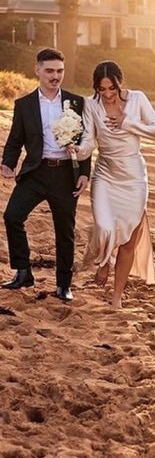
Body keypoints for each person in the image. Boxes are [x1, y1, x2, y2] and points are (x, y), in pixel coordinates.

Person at [1, 47, 90, 301]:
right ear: (37, 70)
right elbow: (15, 139)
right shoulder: (24, 104)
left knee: (65, 230)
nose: (55, 76)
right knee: (12, 216)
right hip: (36, 172)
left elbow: (86, 140)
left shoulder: (76, 102)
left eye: (60, 71)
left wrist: (84, 172)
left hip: (65, 175)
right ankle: (23, 272)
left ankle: (64, 284)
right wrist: (8, 163)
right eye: (49, 70)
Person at [74, 61, 155, 308]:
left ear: (119, 83)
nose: (107, 94)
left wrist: (128, 123)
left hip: (134, 176)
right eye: (102, 89)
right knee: (104, 226)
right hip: (105, 172)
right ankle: (103, 261)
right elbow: (90, 141)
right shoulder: (91, 105)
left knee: (128, 240)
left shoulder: (137, 99)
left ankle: (116, 298)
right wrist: (77, 150)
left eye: (111, 88)